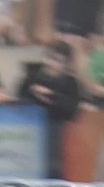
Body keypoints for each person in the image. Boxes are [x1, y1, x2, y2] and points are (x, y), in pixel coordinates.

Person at [26, 39, 85, 171]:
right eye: (51, 58)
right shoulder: (34, 76)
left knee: (53, 163)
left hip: (57, 129)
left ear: (66, 64)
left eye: (58, 61)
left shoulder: (70, 82)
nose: (52, 64)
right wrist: (33, 91)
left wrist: (51, 96)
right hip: (32, 127)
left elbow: (72, 109)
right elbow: (21, 97)